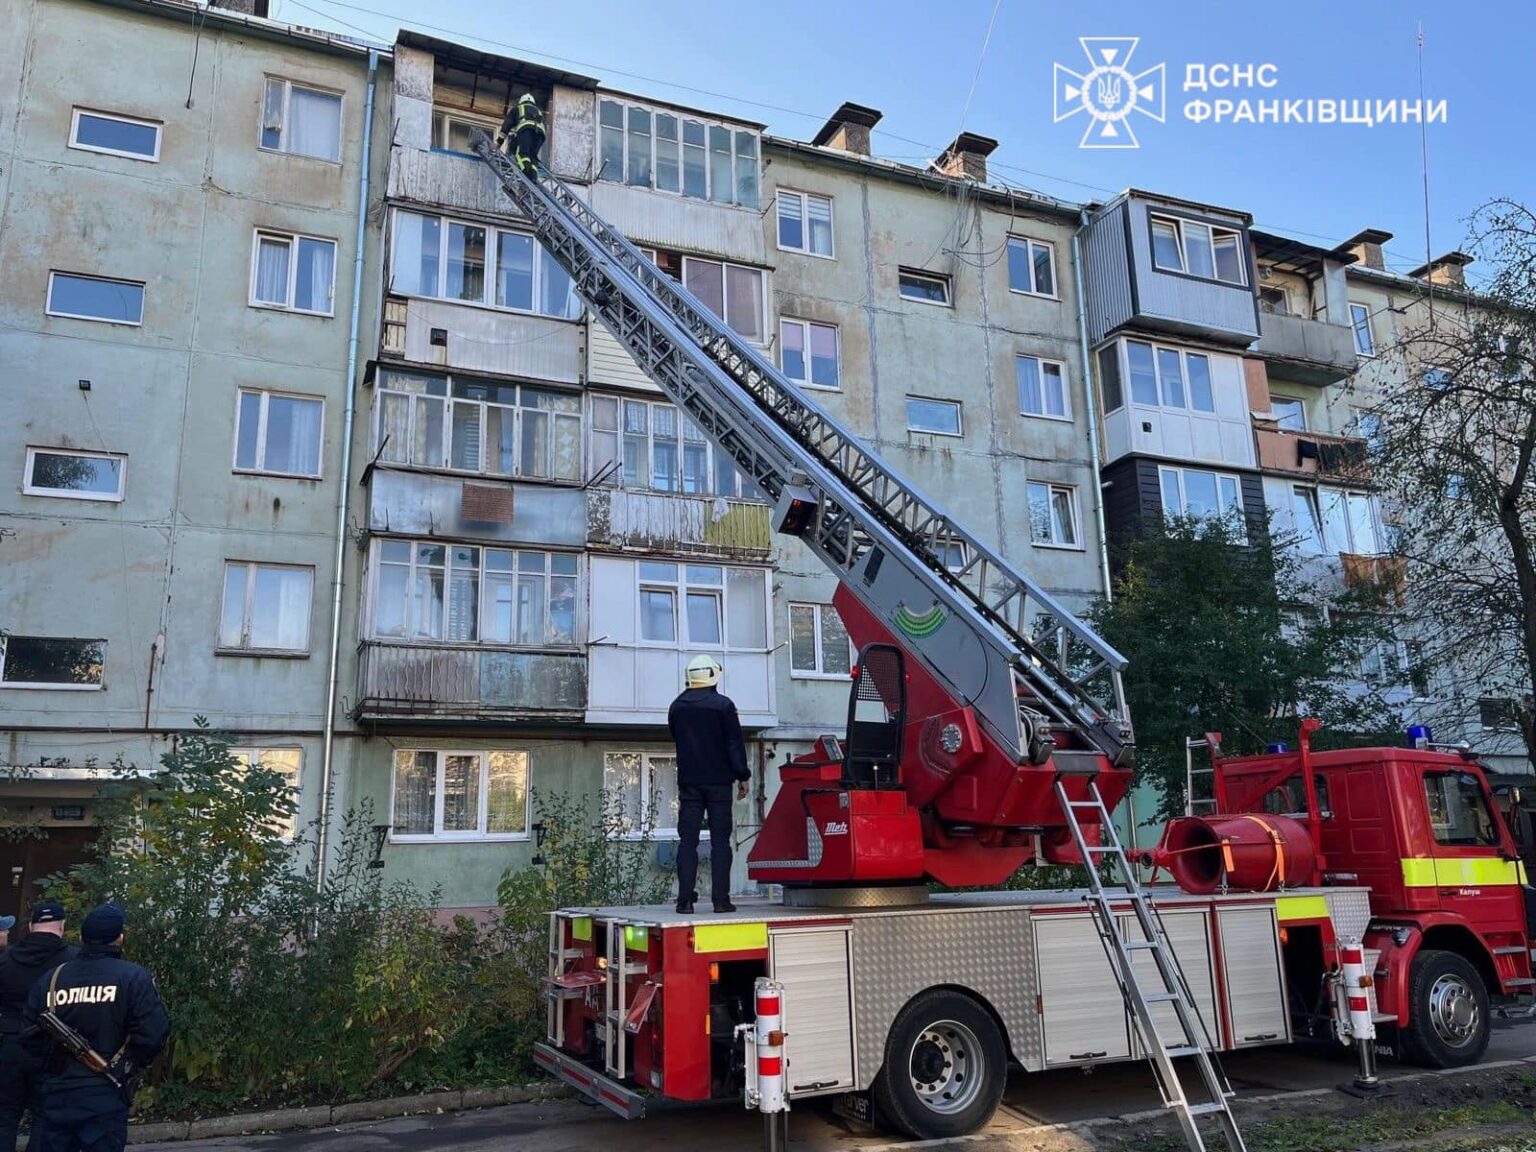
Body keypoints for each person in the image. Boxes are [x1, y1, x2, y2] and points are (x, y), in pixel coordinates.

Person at [22, 903, 168, 1152]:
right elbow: (153, 1034)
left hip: (56, 1093)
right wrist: (129, 1065)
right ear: (119, 938)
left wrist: (46, 1072)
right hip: (105, 1090)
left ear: (81, 937)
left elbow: (28, 1035)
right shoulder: (132, 977)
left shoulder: (53, 978)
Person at [667, 655, 750, 915]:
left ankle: (685, 901)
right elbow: (734, 744)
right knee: (720, 842)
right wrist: (742, 776)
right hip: (719, 784)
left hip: (689, 783)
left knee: (687, 841)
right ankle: (721, 901)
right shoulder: (723, 706)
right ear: (713, 675)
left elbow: (675, 737)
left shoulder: (676, 707)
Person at [0, 902, 76, 1152]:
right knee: (45, 1118)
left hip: (10, 1044)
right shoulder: (73, 962)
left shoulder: (7, 959)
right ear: (62, 927)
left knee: (5, 1117)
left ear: (31, 926)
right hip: (54, 1048)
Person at [499, 92, 546, 174]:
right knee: (532, 157)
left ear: (521, 101)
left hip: (526, 130)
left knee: (521, 154)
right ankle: (533, 176)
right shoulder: (538, 111)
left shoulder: (517, 108)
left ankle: (527, 172)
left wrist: (499, 142)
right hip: (540, 135)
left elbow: (507, 125)